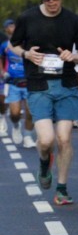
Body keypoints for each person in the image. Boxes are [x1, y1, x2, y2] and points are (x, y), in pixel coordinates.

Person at [9, 0, 78, 205]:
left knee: (64, 139)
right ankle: (45, 162)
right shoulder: (27, 18)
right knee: (46, 140)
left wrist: (74, 57)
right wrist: (27, 54)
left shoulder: (73, 20)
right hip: (39, 85)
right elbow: (13, 46)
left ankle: (62, 188)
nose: (52, 2)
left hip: (67, 85)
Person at [0, 19, 36, 148]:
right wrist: (3, 72)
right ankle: (16, 126)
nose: (13, 28)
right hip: (13, 83)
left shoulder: (30, 44)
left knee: (31, 112)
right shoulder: (5, 45)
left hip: (30, 82)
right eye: (10, 26)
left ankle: (27, 137)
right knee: (15, 114)